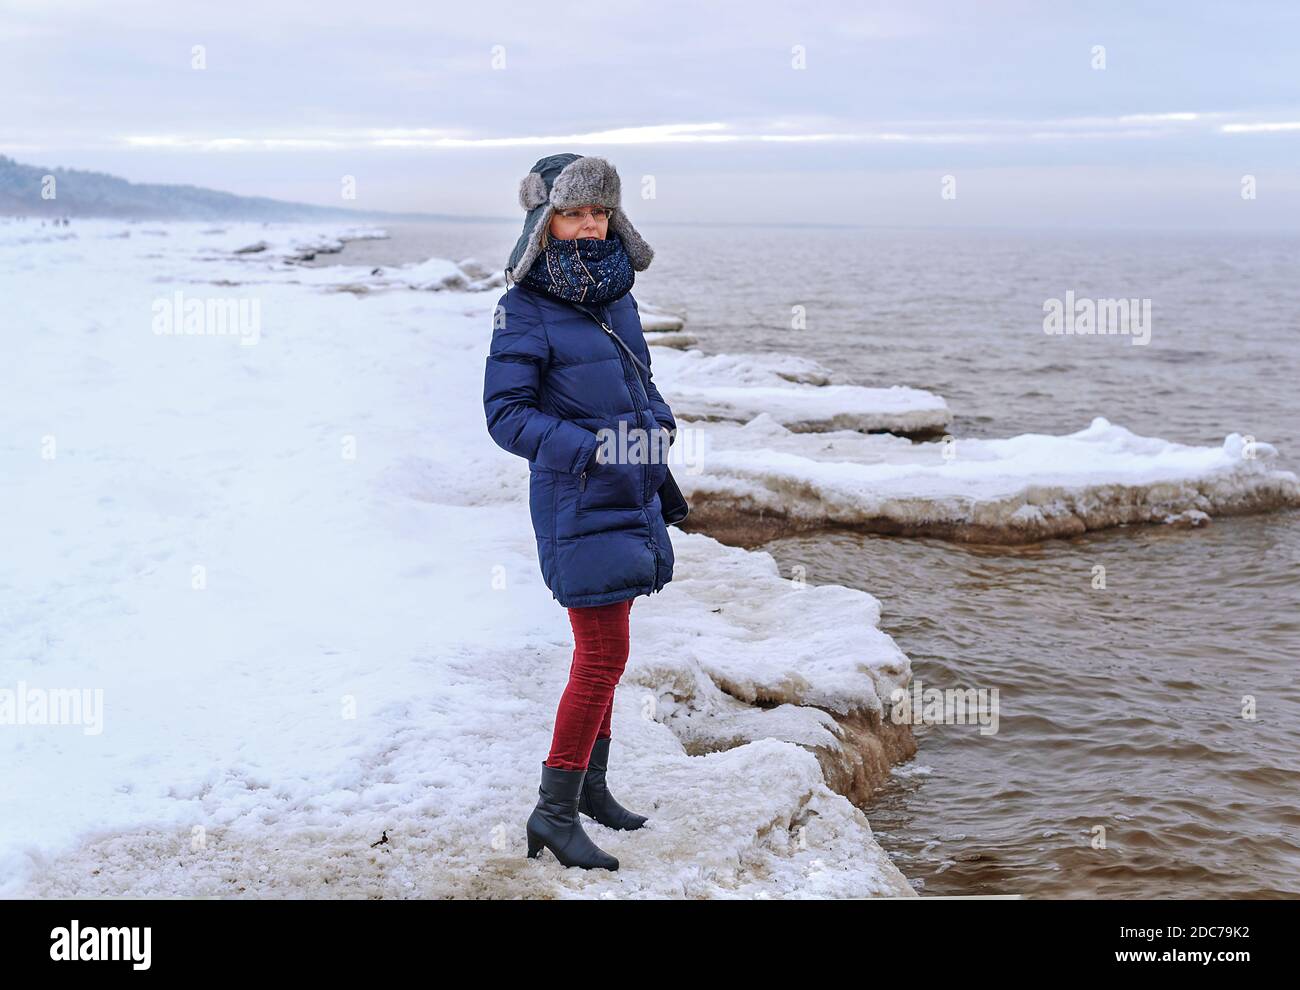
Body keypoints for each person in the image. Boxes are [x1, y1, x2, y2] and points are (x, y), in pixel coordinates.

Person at [482, 153, 677, 870]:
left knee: (611, 650)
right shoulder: (525, 305)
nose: (590, 225)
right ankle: (553, 811)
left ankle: (591, 789)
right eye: (575, 213)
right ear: (545, 222)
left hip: (630, 489)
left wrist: (658, 424)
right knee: (600, 655)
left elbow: (640, 379)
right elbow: (505, 416)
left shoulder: (614, 294)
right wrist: (593, 450)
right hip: (577, 496)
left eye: (600, 211)